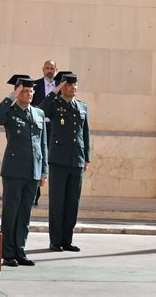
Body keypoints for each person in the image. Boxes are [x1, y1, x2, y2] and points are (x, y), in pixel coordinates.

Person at [0, 75, 48, 267]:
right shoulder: (10, 111)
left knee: (25, 214)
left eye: (31, 91)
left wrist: (44, 171)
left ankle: (20, 250)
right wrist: (10, 97)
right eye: (25, 91)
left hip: (33, 170)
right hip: (14, 171)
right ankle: (8, 253)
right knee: (11, 213)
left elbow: (43, 145)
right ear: (17, 92)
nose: (29, 94)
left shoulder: (39, 113)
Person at [38, 71, 90, 252]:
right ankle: (56, 240)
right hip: (58, 159)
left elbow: (85, 134)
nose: (73, 88)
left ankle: (67, 239)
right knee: (57, 202)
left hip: (77, 159)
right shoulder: (55, 104)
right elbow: (40, 110)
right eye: (69, 84)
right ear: (62, 87)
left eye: (75, 85)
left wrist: (86, 157)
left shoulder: (82, 107)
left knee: (72, 202)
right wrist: (55, 90)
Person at [32, 60, 58, 205]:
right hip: (40, 126)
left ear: (56, 69)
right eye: (47, 68)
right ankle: (35, 194)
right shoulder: (35, 85)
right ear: (43, 69)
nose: (49, 71)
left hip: (55, 128)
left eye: (52, 68)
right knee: (38, 157)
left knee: (53, 159)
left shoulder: (61, 86)